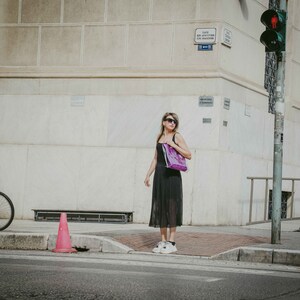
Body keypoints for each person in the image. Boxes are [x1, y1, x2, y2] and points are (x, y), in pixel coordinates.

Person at [144, 112, 192, 254]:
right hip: (159, 175)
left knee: (171, 206)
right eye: (170, 120)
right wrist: (148, 175)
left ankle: (172, 242)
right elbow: (155, 158)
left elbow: (189, 154)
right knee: (160, 206)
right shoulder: (160, 137)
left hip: (172, 175)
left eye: (175, 121)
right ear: (163, 122)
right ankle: (163, 241)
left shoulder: (177, 136)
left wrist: (173, 145)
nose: (172, 123)